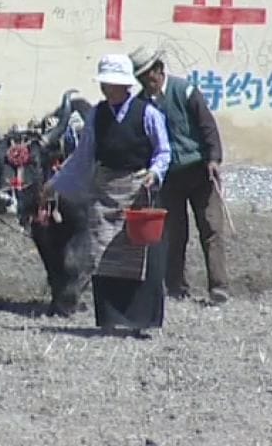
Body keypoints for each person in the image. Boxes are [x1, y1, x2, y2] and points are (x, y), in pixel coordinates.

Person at [41, 54, 171, 336]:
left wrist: (155, 172)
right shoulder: (97, 115)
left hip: (137, 190)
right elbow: (83, 156)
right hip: (104, 191)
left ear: (125, 85)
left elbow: (163, 151)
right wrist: (56, 183)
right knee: (101, 251)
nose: (105, 88)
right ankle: (111, 317)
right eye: (104, 83)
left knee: (137, 253)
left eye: (111, 83)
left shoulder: (147, 114)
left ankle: (138, 319)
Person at [129, 45, 230, 304]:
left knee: (211, 228)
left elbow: (207, 126)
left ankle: (218, 286)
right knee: (174, 234)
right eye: (140, 77)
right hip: (169, 178)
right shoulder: (141, 105)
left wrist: (214, 159)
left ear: (159, 70)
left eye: (148, 75)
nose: (146, 81)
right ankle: (176, 286)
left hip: (199, 171)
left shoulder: (185, 91)